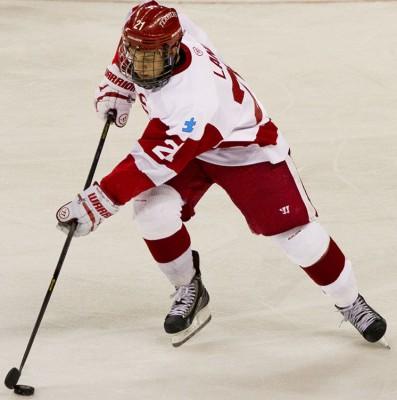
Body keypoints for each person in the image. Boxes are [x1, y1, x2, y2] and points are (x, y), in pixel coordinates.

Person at [56, 0, 388, 348]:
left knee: (300, 238)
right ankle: (189, 287)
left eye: (148, 58)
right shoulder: (162, 31)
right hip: (189, 141)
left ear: (172, 50)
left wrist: (96, 203)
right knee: (153, 213)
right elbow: (136, 30)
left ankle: (351, 301)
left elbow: (153, 160)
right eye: (134, 56)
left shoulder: (194, 97)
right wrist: (118, 81)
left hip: (244, 148)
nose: (139, 65)